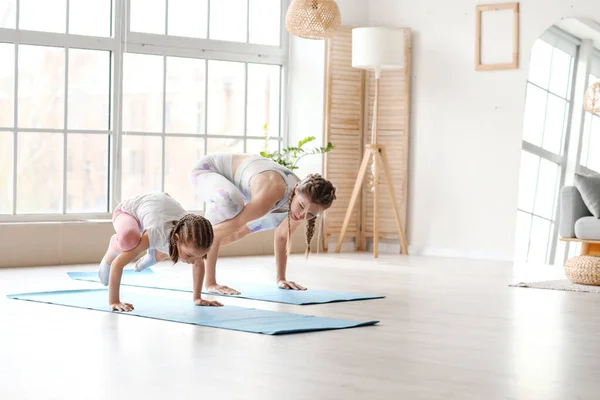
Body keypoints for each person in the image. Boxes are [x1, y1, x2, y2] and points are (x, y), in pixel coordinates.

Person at [186, 152, 337, 295]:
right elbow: (222, 230)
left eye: (311, 214)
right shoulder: (272, 192)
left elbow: (282, 236)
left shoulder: (303, 202)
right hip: (208, 172)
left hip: (240, 188)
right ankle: (182, 243)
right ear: (296, 189)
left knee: (231, 236)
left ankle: (176, 245)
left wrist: (281, 279)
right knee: (230, 202)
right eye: (302, 207)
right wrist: (211, 282)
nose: (301, 215)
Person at [97, 192, 221, 312]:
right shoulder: (157, 234)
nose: (192, 261)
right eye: (189, 255)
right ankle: (113, 249)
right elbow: (118, 264)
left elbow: (198, 264)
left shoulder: (194, 239)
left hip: (158, 211)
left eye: (198, 256)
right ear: (177, 238)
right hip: (127, 212)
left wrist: (197, 298)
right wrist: (114, 301)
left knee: (167, 245)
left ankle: (153, 254)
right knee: (129, 239)